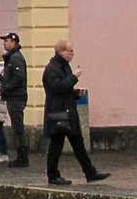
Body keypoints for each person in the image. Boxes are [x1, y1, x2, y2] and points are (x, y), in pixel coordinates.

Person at [42, 40, 110, 186]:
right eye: (70, 51)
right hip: (59, 113)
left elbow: (64, 90)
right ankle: (53, 175)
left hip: (67, 112)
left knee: (78, 143)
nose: (72, 53)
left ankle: (90, 172)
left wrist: (76, 93)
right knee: (56, 145)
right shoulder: (52, 69)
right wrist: (74, 77)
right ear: (61, 52)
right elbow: (57, 88)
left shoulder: (63, 66)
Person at [0, 32, 30, 168]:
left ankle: (22, 157)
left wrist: (6, 87)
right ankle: (21, 156)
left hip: (16, 97)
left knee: (18, 128)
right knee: (17, 127)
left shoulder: (16, 58)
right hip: (14, 96)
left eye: (6, 41)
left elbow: (19, 77)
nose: (4, 43)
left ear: (14, 42)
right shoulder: (11, 57)